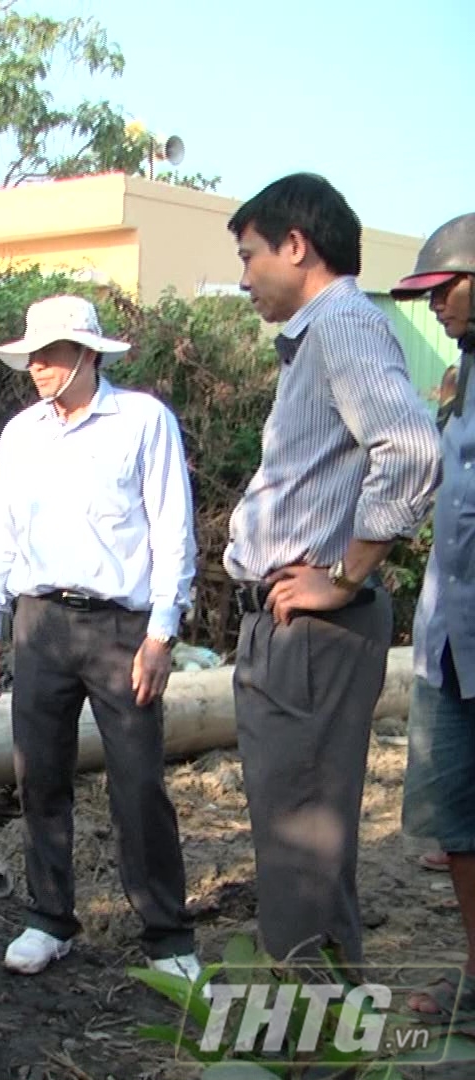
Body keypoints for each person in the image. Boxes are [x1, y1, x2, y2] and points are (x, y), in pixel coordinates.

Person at [221, 174, 441, 966]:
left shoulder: (343, 324)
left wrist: (342, 578)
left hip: (311, 630)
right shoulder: (323, 337)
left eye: (249, 256)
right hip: (293, 631)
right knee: (300, 845)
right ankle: (314, 1018)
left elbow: (413, 449)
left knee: (300, 847)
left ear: (295, 245)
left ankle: (305, 1038)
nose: (243, 278)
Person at [0, 295, 202, 981]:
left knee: (137, 783)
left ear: (88, 356)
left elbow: (171, 529)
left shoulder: (141, 422)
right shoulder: (22, 434)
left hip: (120, 630)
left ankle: (166, 935)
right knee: (38, 775)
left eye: (51, 354)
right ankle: (49, 918)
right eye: (32, 356)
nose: (37, 367)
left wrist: (162, 633)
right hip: (40, 624)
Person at [391, 212, 475, 1019]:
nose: (436, 307)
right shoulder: (459, 379)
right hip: (449, 637)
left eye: (446, 288)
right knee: (457, 817)